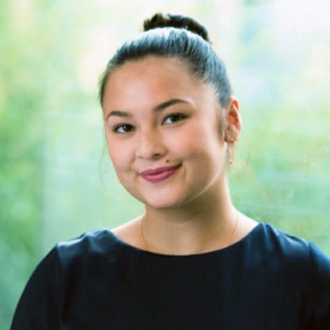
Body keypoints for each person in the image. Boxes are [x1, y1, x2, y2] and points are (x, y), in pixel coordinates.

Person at [10, 13, 330, 330]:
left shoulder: (305, 279)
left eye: (172, 118)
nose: (148, 148)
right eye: (124, 127)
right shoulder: (67, 278)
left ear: (231, 120)